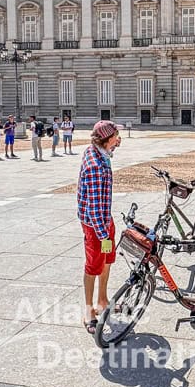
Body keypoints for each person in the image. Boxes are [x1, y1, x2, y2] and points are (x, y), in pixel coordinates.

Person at [78, 120, 122, 334]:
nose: (117, 139)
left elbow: (97, 205)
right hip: (97, 228)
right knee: (93, 266)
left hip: (105, 221)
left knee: (106, 260)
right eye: (115, 135)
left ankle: (102, 300)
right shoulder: (96, 167)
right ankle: (88, 310)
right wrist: (105, 235)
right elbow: (94, 209)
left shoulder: (96, 151)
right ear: (106, 138)